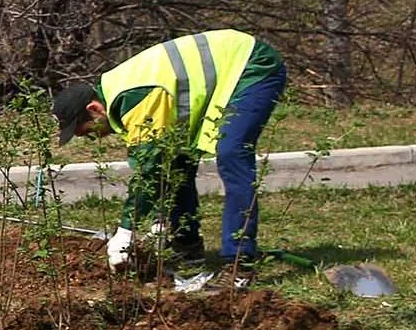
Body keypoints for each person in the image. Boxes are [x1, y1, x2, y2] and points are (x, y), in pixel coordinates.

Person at [53, 30, 288, 287]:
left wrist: (126, 232)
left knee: (232, 153)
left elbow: (149, 169)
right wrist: (159, 218)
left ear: (94, 110)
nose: (91, 139)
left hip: (251, 66)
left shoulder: (135, 98)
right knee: (176, 160)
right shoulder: (119, 96)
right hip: (226, 76)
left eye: (86, 132)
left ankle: (239, 265)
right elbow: (163, 163)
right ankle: (187, 247)